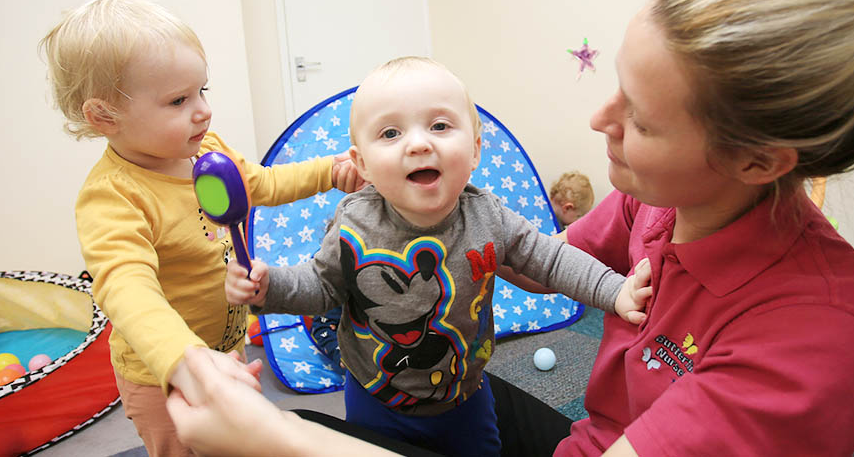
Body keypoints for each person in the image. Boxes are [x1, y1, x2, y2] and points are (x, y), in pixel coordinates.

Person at [168, 0, 854, 455]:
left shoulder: (818, 341)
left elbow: (543, 262)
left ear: (759, 161)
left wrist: (270, 436)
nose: (596, 118)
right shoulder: (662, 202)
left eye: (637, 117)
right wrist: (438, 215)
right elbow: (537, 260)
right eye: (614, 87)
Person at [224, 56, 652, 456]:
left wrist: (614, 290)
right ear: (363, 164)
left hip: (464, 394)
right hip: (374, 395)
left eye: (441, 126)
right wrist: (268, 287)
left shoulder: (488, 215)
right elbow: (320, 287)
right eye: (390, 133)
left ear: (477, 149)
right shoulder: (355, 222)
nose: (418, 144)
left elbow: (553, 259)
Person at [39, 0, 363, 456]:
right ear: (104, 116)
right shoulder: (113, 196)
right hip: (164, 373)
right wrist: (184, 361)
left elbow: (262, 183)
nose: (202, 110)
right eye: (178, 100)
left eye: (201, 91)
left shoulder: (205, 150)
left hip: (227, 347)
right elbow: (126, 287)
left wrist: (328, 171)